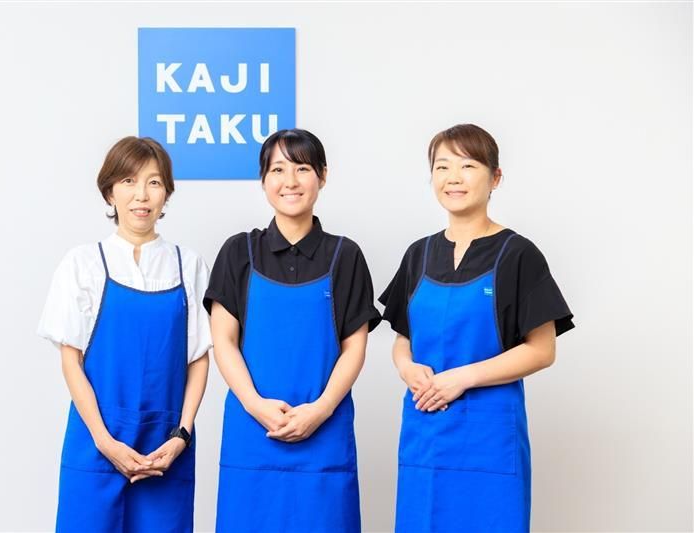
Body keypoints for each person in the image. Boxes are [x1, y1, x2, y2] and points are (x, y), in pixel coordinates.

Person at [379, 124, 574, 532]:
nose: (453, 177)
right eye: (442, 166)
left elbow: (542, 350)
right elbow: (403, 339)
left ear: (495, 177)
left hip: (488, 437)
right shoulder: (418, 254)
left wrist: (462, 378)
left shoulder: (518, 254)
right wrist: (407, 368)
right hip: (426, 431)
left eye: (468, 165)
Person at [205, 129, 381, 533]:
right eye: (278, 170)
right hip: (253, 435)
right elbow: (223, 341)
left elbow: (354, 347)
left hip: (324, 434)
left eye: (302, 169)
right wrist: (255, 405)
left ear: (322, 175)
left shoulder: (345, 255)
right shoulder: (238, 251)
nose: (290, 181)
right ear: (263, 180)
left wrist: (321, 410)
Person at [37, 136, 211, 532]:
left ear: (167, 193)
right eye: (129, 181)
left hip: (165, 448)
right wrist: (104, 441)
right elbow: (71, 362)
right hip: (96, 441)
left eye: (154, 182)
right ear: (110, 192)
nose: (141, 195)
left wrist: (181, 435)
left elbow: (199, 359)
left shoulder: (189, 266)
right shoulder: (83, 264)